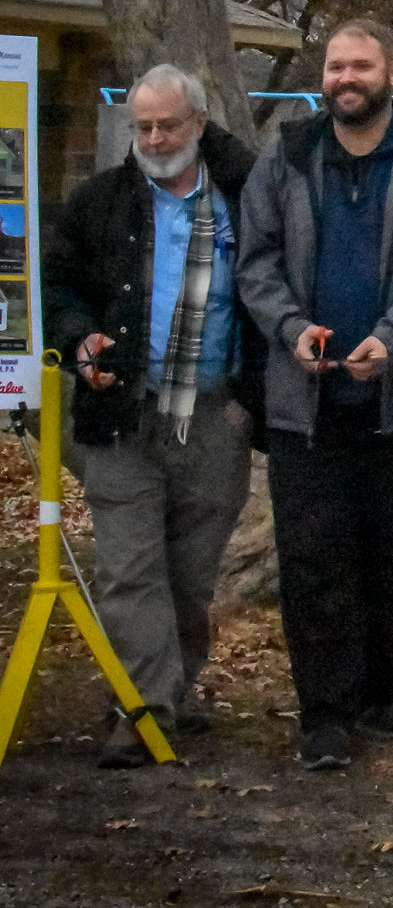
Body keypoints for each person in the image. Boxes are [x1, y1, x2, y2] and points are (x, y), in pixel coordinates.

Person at [239, 19, 393, 772]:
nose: (346, 77)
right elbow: (257, 259)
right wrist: (291, 325)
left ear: (391, 70)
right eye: (336, 65)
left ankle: (380, 698)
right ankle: (324, 714)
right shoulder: (289, 151)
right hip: (305, 397)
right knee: (314, 559)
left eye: (360, 65)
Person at [44, 64, 262, 768]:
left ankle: (171, 686)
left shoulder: (244, 200)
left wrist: (244, 402)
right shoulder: (99, 202)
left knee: (191, 574)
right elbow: (58, 283)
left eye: (170, 123)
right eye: (143, 126)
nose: (155, 137)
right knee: (130, 568)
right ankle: (142, 711)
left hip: (213, 413)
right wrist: (80, 337)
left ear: (199, 124)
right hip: (122, 412)